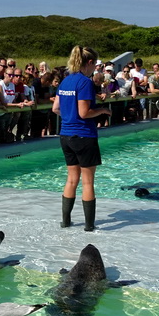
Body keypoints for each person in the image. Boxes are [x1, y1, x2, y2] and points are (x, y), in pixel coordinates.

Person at [52, 46, 110, 232]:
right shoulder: (85, 82)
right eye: (95, 66)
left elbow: (55, 109)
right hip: (84, 135)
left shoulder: (66, 81)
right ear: (90, 62)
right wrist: (103, 110)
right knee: (87, 182)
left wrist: (69, 116)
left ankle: (65, 221)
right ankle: (88, 225)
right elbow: (84, 113)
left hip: (66, 134)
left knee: (71, 180)